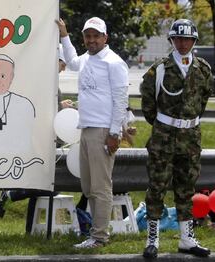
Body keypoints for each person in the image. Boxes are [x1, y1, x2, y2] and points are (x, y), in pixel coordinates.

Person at [140, 19, 213, 258]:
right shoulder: (160, 68)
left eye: (188, 39)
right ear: (172, 40)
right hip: (163, 136)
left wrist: (186, 123)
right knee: (157, 187)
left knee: (186, 188)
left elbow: (201, 103)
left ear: (194, 41)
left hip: (190, 138)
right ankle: (153, 239)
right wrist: (165, 125)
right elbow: (148, 103)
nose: (183, 43)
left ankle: (186, 239)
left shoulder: (203, 68)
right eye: (179, 39)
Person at [56, 17, 129, 248]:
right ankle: (96, 234)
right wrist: (64, 34)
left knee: (100, 187)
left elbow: (121, 101)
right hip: (86, 129)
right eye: (88, 36)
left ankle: (99, 237)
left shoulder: (114, 62)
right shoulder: (86, 58)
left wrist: (115, 133)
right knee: (88, 187)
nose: (91, 40)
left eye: (96, 36)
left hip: (103, 131)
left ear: (105, 37)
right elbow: (72, 61)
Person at [0, 46, 74, 234]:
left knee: (40, 187)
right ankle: (13, 193)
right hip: (43, 143)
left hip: (38, 141)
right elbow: (42, 113)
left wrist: (60, 106)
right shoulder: (48, 81)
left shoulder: (43, 79)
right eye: (62, 64)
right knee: (49, 189)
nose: (63, 69)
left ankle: (31, 230)